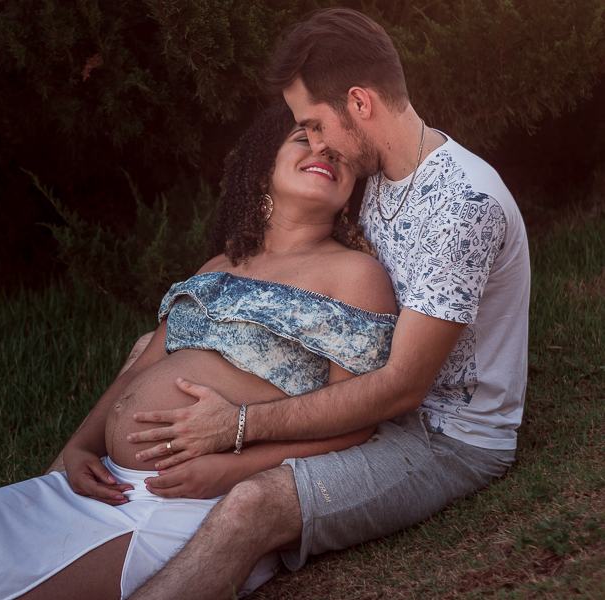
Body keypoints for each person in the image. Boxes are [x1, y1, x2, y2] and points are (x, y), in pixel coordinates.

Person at [0, 102, 399, 600]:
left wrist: (231, 474)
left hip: (187, 501)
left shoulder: (353, 275)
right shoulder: (216, 269)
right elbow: (140, 371)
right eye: (303, 139)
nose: (322, 152)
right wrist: (78, 449)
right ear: (261, 169)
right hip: (107, 487)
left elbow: (353, 422)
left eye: (339, 154)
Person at [122, 8, 530, 600]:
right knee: (149, 351)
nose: (314, 143)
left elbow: (401, 390)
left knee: (252, 506)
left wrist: (238, 427)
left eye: (314, 124)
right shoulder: (378, 178)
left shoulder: (461, 205)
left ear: (360, 104)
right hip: (358, 393)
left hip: (442, 436)